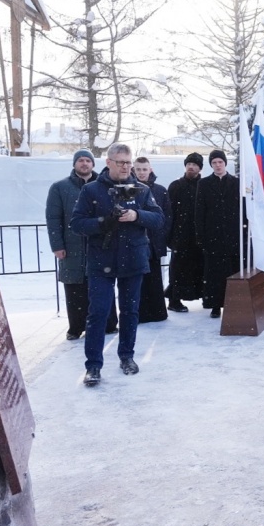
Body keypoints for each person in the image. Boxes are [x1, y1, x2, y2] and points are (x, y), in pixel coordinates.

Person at [70, 143, 164, 387]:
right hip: (102, 260)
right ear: (108, 163)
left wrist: (137, 216)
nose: (125, 167)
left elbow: (158, 219)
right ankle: (93, 365)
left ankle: (127, 357)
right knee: (98, 313)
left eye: (128, 162)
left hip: (133, 259)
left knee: (130, 311)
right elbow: (77, 223)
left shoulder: (141, 190)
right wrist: (104, 221)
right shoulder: (91, 190)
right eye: (120, 162)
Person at [46, 149, 117, 340]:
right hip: (72, 245)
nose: (84, 164)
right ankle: (76, 327)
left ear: (93, 164)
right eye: (80, 160)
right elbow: (54, 218)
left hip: (100, 243)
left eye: (88, 160)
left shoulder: (105, 186)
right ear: (74, 164)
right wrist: (57, 245)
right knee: (75, 285)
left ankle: (109, 324)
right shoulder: (60, 187)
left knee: (103, 284)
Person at [195, 149, 242, 318]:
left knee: (233, 271)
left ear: (225, 163)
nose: (217, 165)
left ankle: (234, 303)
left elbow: (242, 209)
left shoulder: (236, 182)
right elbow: (199, 211)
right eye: (214, 163)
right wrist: (200, 235)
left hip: (233, 235)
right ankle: (215, 304)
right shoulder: (204, 184)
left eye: (220, 162)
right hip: (213, 235)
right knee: (214, 273)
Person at [133, 156, 171, 323]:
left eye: (144, 169)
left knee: (155, 279)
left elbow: (167, 216)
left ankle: (158, 312)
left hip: (155, 242)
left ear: (150, 170)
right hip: (135, 243)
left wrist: (162, 236)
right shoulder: (128, 189)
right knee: (137, 280)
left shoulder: (160, 190)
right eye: (139, 169)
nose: (141, 173)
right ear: (134, 170)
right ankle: (140, 313)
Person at [166, 153, 204, 313]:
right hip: (180, 236)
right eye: (189, 163)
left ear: (200, 167)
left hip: (200, 236)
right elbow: (169, 213)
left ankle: (206, 296)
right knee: (178, 269)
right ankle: (174, 300)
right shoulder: (175, 186)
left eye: (195, 164)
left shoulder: (204, 185)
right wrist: (170, 236)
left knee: (202, 268)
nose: (191, 166)